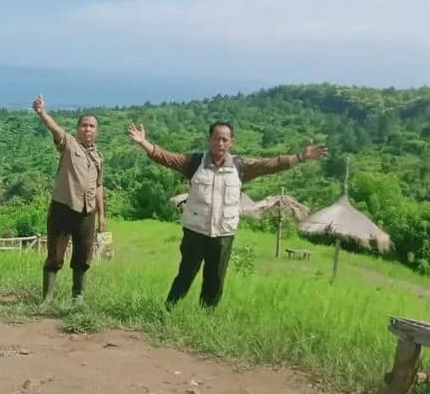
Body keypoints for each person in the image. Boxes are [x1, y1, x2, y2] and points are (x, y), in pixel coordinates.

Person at [127, 120, 327, 308]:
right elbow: (165, 157)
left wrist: (301, 157)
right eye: (216, 138)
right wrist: (143, 142)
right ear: (209, 140)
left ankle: (206, 316)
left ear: (231, 142)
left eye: (225, 139)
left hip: (223, 235)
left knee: (215, 279)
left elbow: (271, 164)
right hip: (195, 232)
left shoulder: (240, 166)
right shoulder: (194, 163)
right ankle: (168, 310)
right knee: (185, 274)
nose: (220, 143)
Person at [32, 95, 104, 303]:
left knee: (83, 256)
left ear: (97, 131)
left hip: (87, 212)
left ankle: (77, 298)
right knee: (55, 255)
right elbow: (55, 129)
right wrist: (42, 113)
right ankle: (47, 299)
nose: (88, 129)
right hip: (63, 207)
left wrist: (101, 216)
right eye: (84, 125)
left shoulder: (98, 156)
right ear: (77, 128)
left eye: (91, 126)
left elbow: (99, 186)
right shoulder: (69, 144)